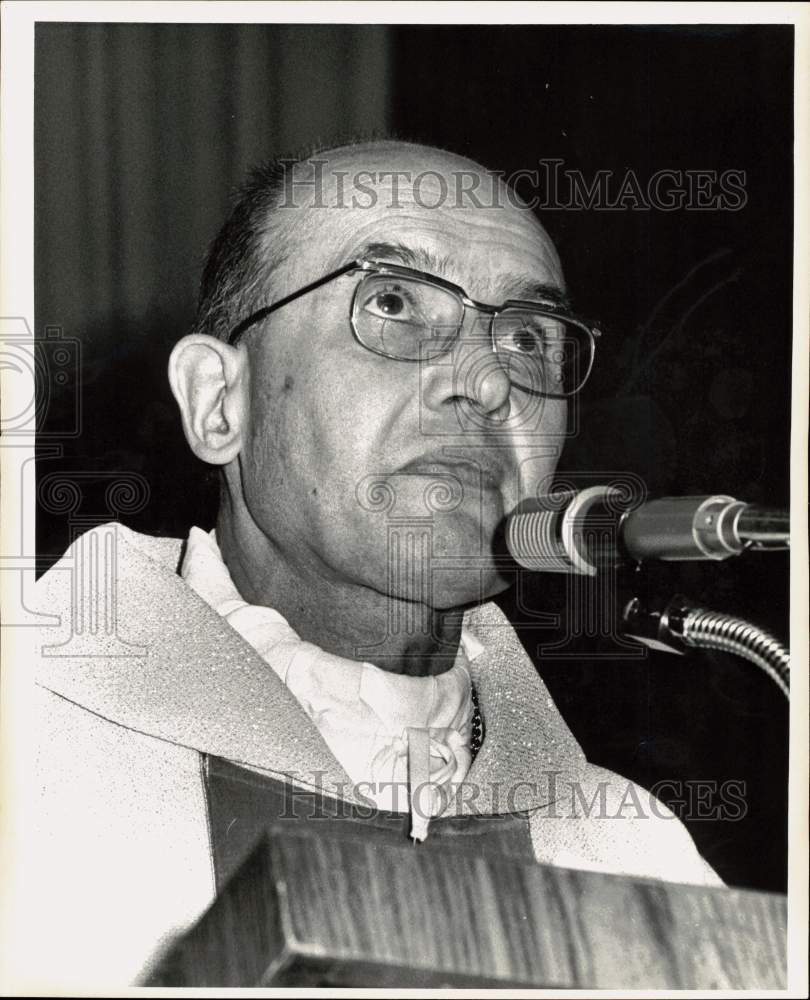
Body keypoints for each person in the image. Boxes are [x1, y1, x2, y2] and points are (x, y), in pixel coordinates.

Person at [23, 141, 721, 987]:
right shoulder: (28, 755)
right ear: (217, 403)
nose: (489, 384)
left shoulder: (629, 848)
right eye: (393, 302)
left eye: (530, 337)